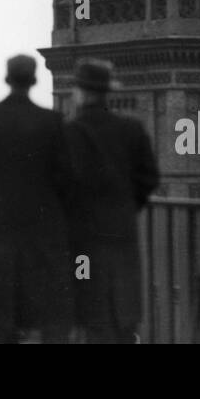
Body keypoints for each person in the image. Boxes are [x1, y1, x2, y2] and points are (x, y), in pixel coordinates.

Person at [0, 54, 74, 344]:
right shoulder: (52, 122)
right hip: (42, 235)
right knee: (42, 314)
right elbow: (67, 180)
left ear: (7, 79)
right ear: (34, 81)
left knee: (2, 317)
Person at [63, 59, 159, 344]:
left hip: (82, 241)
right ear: (108, 93)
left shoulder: (68, 132)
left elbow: (59, 186)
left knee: (88, 307)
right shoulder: (132, 128)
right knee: (123, 309)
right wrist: (128, 207)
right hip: (121, 234)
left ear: (79, 93)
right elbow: (149, 178)